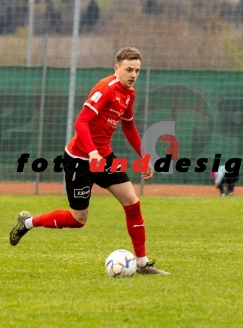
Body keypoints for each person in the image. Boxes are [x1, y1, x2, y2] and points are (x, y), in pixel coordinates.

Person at [9, 47, 169, 275]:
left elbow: (128, 125)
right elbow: (81, 122)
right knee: (78, 219)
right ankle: (27, 223)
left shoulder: (129, 94)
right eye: (129, 69)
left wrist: (144, 155)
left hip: (104, 157)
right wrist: (92, 152)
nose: (133, 75)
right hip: (79, 159)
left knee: (133, 203)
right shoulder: (106, 88)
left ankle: (142, 264)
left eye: (137, 70)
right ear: (117, 68)